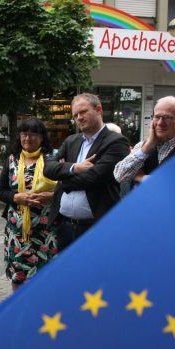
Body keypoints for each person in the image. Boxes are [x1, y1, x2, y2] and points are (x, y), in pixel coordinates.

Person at [44, 93, 130, 251]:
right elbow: (48, 168)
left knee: (95, 273)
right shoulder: (71, 141)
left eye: (83, 112)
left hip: (96, 226)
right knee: (68, 274)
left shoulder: (116, 142)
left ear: (99, 110)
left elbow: (94, 177)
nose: (79, 118)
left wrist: (63, 179)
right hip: (65, 225)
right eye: (75, 115)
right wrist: (74, 168)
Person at [0, 119, 58, 290]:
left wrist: (52, 196)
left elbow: (65, 188)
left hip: (45, 230)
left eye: (33, 134)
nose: (28, 138)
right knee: (18, 275)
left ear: (42, 137)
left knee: (45, 275)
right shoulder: (11, 160)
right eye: (24, 134)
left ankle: (42, 313)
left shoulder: (52, 160)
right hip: (18, 232)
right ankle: (19, 313)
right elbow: (1, 192)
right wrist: (17, 197)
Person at [113, 96, 175, 187]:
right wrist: (147, 147)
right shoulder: (142, 147)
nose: (160, 123)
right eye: (157, 117)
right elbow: (119, 176)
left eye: (167, 118)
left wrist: (141, 177)